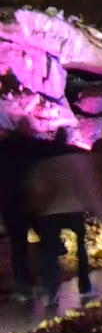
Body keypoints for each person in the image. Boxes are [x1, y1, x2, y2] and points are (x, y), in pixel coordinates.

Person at [26, 128, 102, 306]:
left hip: (49, 212)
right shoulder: (76, 160)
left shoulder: (43, 163)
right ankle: (85, 285)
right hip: (73, 209)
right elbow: (89, 186)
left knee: (50, 253)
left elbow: (36, 188)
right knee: (81, 248)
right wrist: (100, 209)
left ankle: (51, 291)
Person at [0, 125, 48, 301]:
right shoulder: (29, 146)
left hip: (11, 205)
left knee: (18, 247)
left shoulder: (5, 150)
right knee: (44, 242)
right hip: (30, 201)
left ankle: (24, 285)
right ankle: (45, 280)